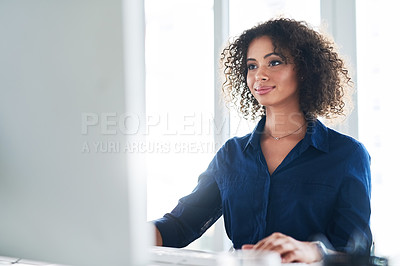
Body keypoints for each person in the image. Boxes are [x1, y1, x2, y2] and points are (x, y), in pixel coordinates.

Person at [152, 18, 372, 264]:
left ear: (305, 69)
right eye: (252, 66)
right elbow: (180, 226)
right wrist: (119, 232)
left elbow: (358, 254)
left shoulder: (346, 154)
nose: (260, 75)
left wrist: (313, 250)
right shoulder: (231, 154)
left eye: (274, 62)